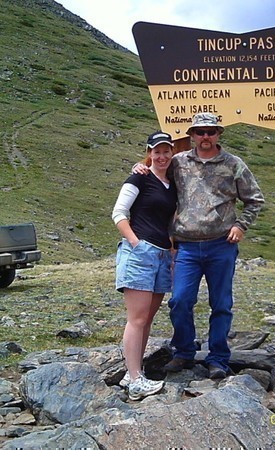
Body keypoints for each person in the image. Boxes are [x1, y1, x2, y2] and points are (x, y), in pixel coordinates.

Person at [134, 113, 264, 379]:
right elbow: (156, 171)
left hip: (221, 246)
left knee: (221, 304)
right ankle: (183, 352)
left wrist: (240, 226)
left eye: (211, 132)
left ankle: (218, 358)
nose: (206, 137)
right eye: (200, 132)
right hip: (186, 248)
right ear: (191, 135)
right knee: (180, 300)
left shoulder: (234, 164)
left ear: (219, 134)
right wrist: (140, 166)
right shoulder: (178, 162)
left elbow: (255, 199)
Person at [112, 131, 177, 400]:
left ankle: (132, 372)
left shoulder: (170, 184)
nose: (161, 157)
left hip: (162, 255)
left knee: (147, 318)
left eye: (166, 151)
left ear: (171, 152)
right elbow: (118, 213)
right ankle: (136, 379)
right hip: (141, 254)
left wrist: (171, 251)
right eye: (156, 151)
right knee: (136, 319)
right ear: (149, 152)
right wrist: (136, 244)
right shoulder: (139, 177)